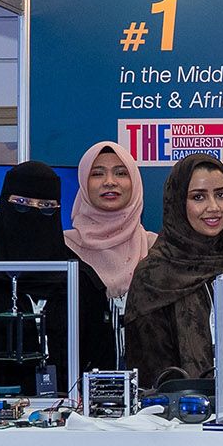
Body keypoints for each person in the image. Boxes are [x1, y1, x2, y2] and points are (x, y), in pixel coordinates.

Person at [0, 161, 116, 387]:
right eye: (21, 203)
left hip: (67, 406)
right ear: (4, 204)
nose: (33, 213)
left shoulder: (80, 281)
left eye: (46, 206)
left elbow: (102, 368)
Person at [124, 154, 223, 392]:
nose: (214, 207)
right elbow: (152, 378)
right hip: (169, 413)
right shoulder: (153, 278)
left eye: (221, 195)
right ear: (178, 203)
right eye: (198, 197)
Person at [63, 141, 157, 366]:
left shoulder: (155, 248)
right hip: (77, 381)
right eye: (97, 173)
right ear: (83, 183)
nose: (109, 182)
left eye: (121, 173)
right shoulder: (63, 249)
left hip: (148, 381)